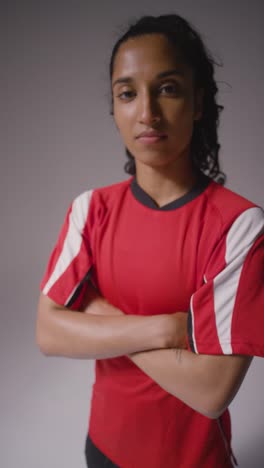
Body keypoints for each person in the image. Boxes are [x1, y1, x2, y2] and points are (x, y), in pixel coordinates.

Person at [36, 14, 264, 468]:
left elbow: (211, 391)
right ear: (114, 109)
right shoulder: (90, 210)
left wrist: (97, 314)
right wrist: (165, 328)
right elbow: (48, 333)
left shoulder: (240, 226)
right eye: (127, 93)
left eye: (168, 88)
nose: (147, 113)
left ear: (199, 101)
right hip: (102, 449)